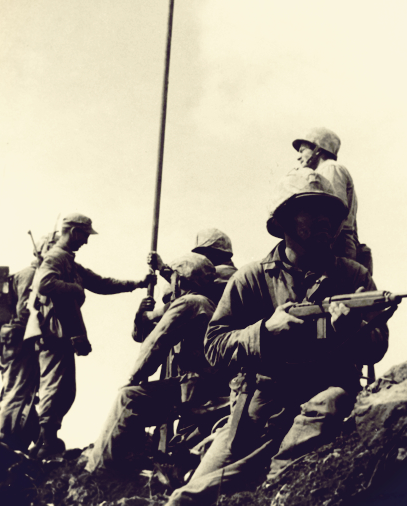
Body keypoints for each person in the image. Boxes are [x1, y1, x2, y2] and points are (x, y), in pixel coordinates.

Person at [166, 168, 390, 505]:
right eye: (312, 212)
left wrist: (355, 329)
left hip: (323, 404)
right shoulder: (252, 278)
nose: (325, 220)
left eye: (329, 213)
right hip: (260, 407)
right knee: (187, 498)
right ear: (285, 221)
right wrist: (264, 332)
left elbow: (377, 347)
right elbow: (214, 347)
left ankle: (271, 480)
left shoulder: (353, 276)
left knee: (322, 414)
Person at [83, 253, 229, 475]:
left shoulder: (190, 303)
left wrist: (133, 378)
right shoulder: (206, 304)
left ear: (180, 280)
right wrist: (143, 317)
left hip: (198, 388)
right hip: (205, 386)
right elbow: (147, 333)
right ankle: (132, 459)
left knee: (128, 398)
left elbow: (156, 342)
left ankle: (97, 471)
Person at [24, 213, 154, 459]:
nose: (86, 241)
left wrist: (137, 283)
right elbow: (45, 284)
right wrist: (75, 289)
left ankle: (47, 439)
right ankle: (45, 443)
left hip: (60, 335)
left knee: (65, 390)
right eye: (84, 235)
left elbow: (101, 283)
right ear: (73, 231)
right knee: (56, 388)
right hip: (52, 334)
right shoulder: (56, 257)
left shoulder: (69, 261)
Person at [0, 232, 59, 452]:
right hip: (19, 340)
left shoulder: (28, 274)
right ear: (43, 250)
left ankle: (2, 435)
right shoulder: (32, 274)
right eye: (52, 248)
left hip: (13, 341)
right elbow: (25, 312)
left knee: (15, 390)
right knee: (18, 391)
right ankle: (4, 439)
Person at [292, 127, 363, 264]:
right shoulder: (324, 170)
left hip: (336, 242)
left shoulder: (330, 168)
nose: (298, 157)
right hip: (334, 240)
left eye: (302, 151)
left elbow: (333, 211)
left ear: (317, 149)